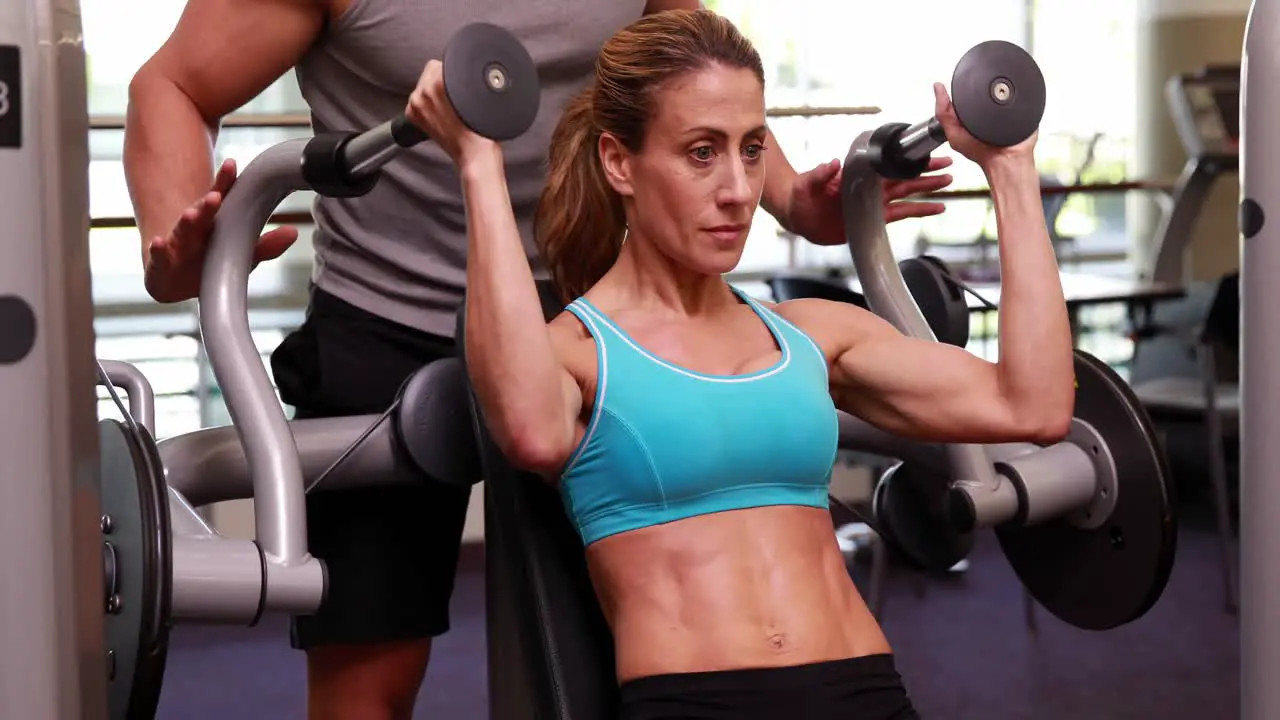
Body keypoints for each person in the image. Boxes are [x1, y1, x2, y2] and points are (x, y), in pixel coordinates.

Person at [123, 1, 952, 717]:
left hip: (597, 312)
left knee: (636, 639)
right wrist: (177, 240)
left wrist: (790, 197)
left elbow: (686, 71)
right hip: (385, 315)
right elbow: (173, 84)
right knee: (367, 682)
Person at [407, 8, 1074, 720]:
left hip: (866, 694)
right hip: (696, 703)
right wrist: (477, 164)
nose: (738, 191)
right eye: (701, 152)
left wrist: (1009, 166)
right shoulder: (576, 354)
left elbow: (1031, 406)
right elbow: (529, 431)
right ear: (618, 163)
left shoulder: (810, 335)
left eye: (752, 149)